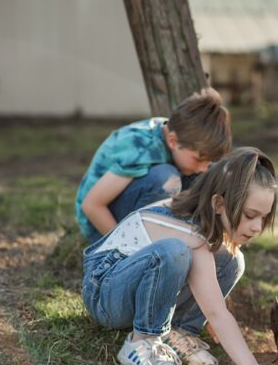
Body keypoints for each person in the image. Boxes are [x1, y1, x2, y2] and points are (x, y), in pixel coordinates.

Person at [81, 146, 278, 365]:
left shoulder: (201, 223)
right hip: (105, 294)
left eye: (263, 217)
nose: (257, 227)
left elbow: (213, 302)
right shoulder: (189, 230)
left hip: (133, 291)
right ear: (219, 204)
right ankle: (142, 341)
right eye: (250, 215)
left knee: (231, 259)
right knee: (173, 251)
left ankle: (178, 332)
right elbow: (216, 311)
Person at [75, 87, 231, 246]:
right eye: (198, 160)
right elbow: (92, 205)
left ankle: (177, 237)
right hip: (100, 225)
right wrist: (125, 245)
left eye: (208, 161)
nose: (203, 167)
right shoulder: (141, 148)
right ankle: (144, 246)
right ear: (172, 141)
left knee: (205, 176)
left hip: (130, 210)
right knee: (165, 179)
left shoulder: (179, 134)